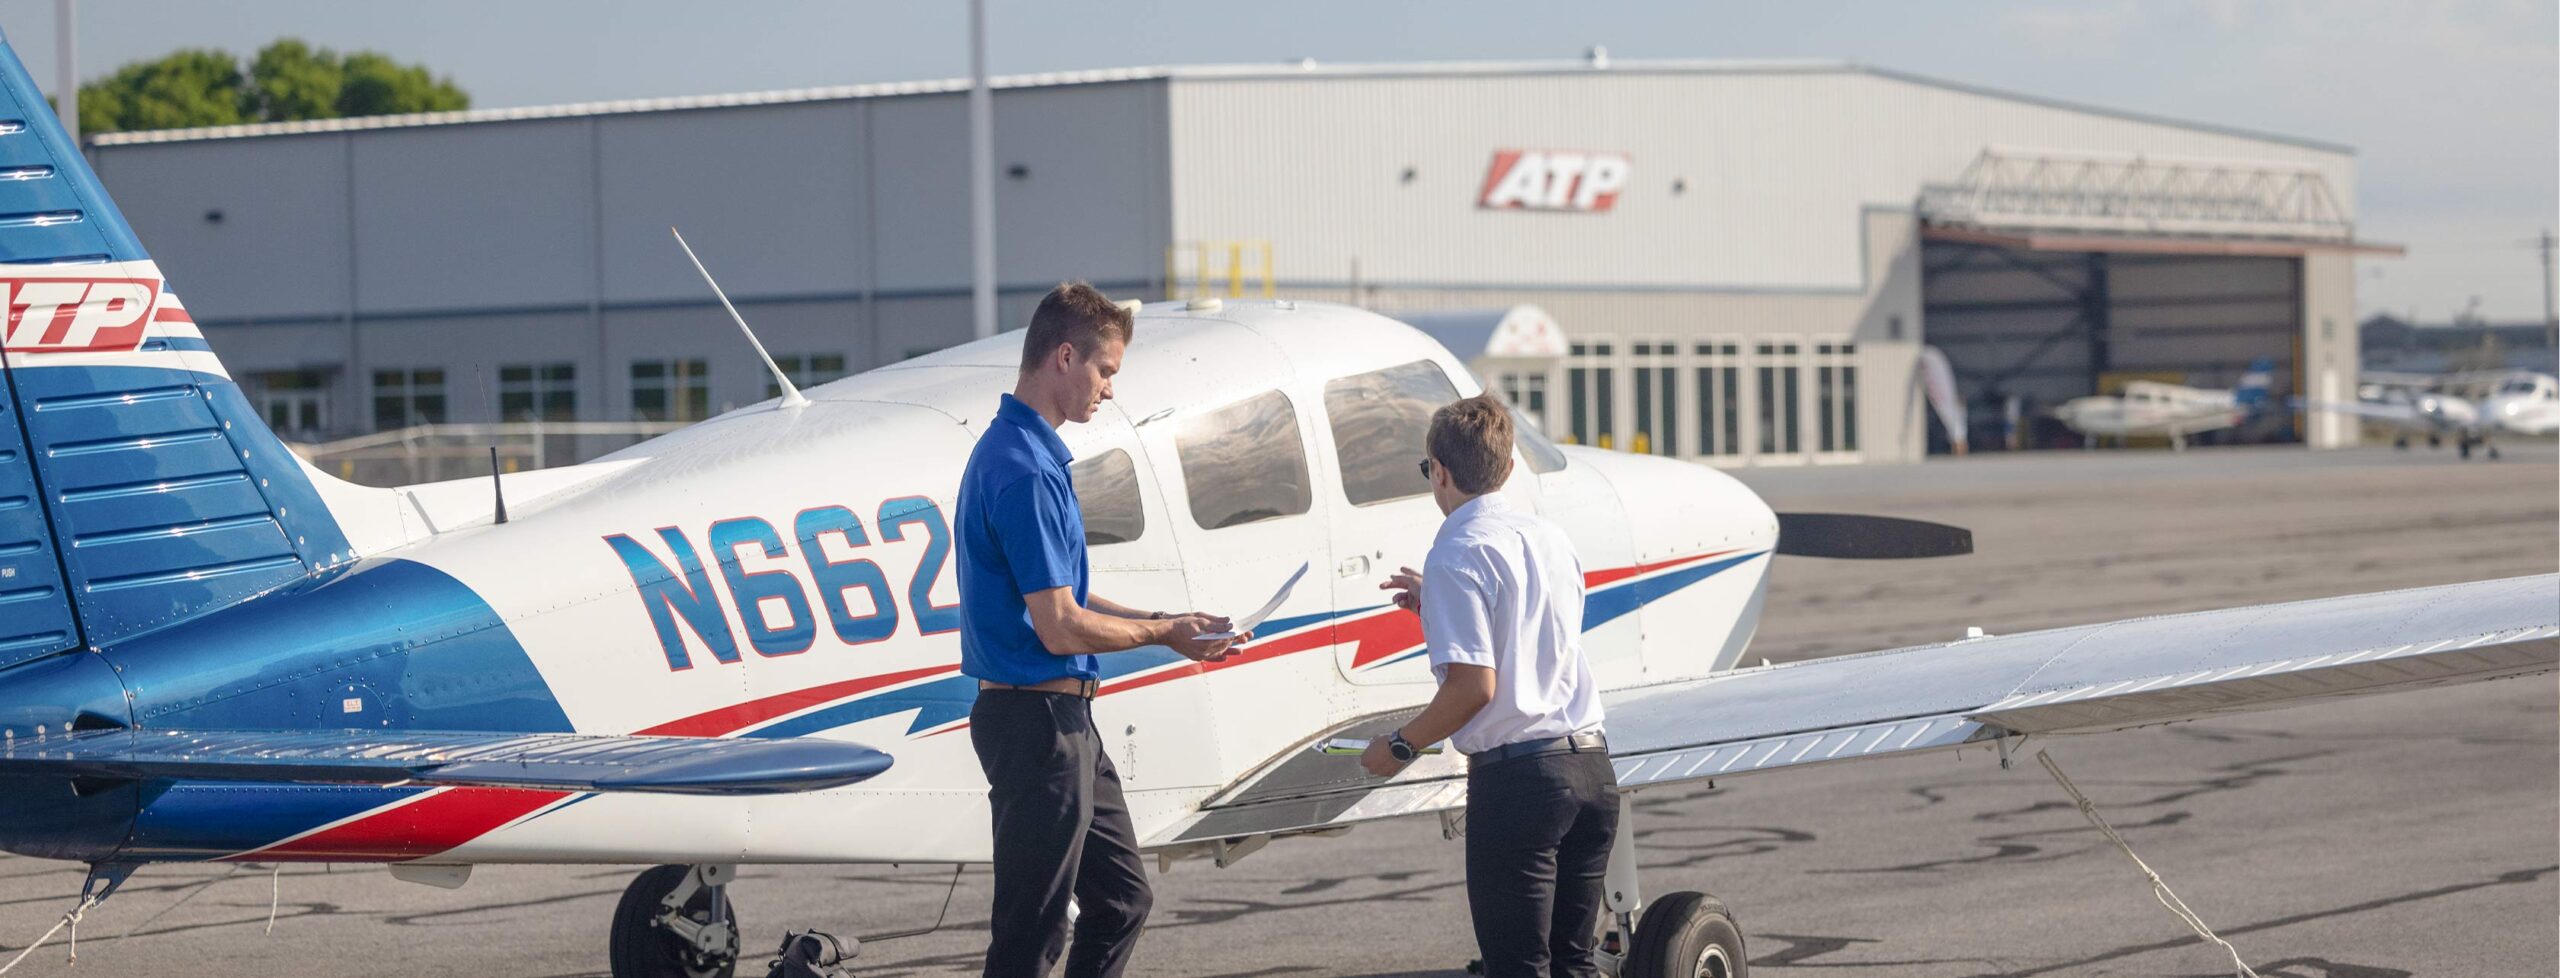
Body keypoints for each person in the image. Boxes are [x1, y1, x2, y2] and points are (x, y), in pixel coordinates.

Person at [955, 281, 1242, 978]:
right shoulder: (1023, 470)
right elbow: (1059, 628)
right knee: (1030, 938)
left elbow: (1063, 597)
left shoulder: (1021, 455)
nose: (1109, 390)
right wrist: (1167, 635)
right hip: (1037, 727)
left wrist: (1161, 620)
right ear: (1063, 357)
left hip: (1060, 723)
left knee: (1120, 900)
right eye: (1105, 370)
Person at [1364, 392, 1618, 978]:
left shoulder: (1456, 550)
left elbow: (1474, 688)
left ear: (1443, 473)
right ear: (1506, 469)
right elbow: (1534, 631)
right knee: (1572, 964)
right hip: (1592, 769)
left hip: (1522, 781)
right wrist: (1437, 603)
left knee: (1518, 967)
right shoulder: (1551, 539)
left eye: (1429, 470)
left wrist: (1400, 745)